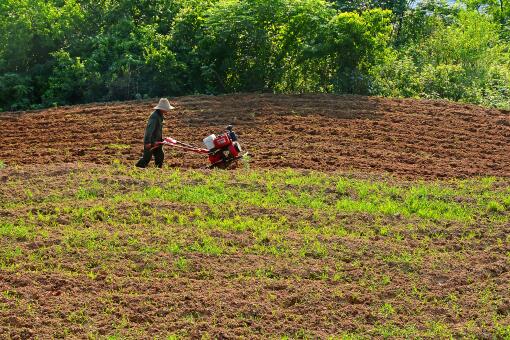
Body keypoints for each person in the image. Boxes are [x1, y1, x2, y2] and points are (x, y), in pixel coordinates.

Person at [135, 98, 174, 168]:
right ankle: (136, 168)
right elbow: (149, 130)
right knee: (146, 158)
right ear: (161, 108)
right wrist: (147, 142)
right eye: (166, 109)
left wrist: (161, 139)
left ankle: (158, 170)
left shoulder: (160, 115)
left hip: (157, 141)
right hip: (151, 142)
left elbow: (157, 130)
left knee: (160, 156)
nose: (168, 110)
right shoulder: (154, 117)